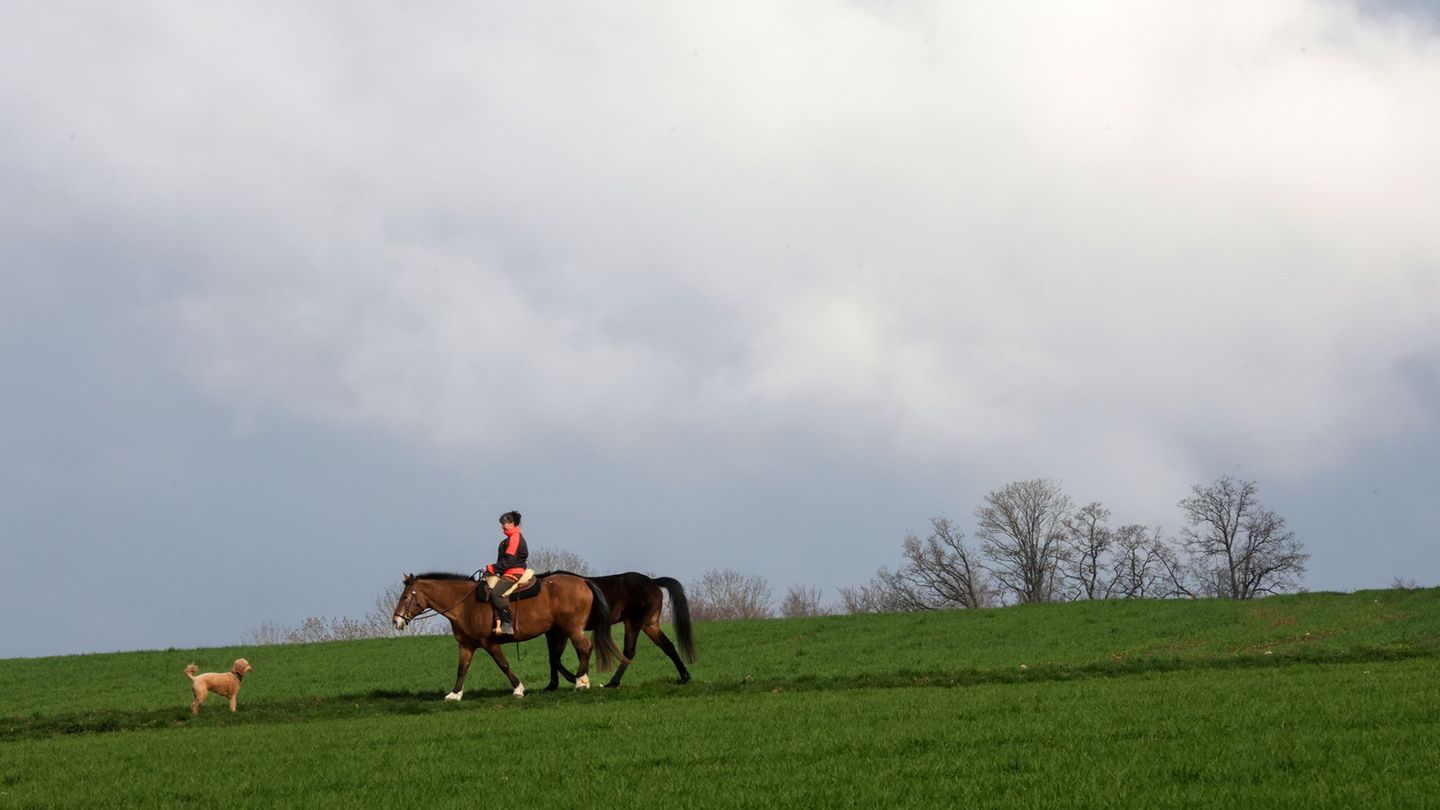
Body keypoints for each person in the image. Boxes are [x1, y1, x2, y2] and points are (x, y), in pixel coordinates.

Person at [484, 510, 529, 635]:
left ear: (513, 523)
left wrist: (491, 568)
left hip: (514, 572)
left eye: (505, 523)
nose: (502, 526)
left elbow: (509, 560)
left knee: (496, 593)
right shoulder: (507, 540)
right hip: (507, 571)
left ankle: (508, 623)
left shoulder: (515, 539)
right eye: (502, 523)